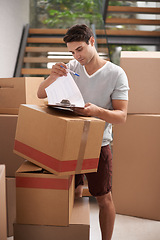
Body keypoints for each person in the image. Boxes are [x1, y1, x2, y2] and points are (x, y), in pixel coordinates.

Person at [37, 24, 129, 240]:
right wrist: (52, 76)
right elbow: (41, 93)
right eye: (71, 52)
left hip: (98, 144)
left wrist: (95, 111)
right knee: (73, 193)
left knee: (104, 198)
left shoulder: (116, 74)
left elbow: (122, 116)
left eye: (79, 49)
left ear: (91, 42)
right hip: (69, 141)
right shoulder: (71, 67)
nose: (76, 56)